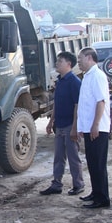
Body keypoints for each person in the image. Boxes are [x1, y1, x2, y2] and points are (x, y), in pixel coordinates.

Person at [40, 52, 84, 196]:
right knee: (58, 157)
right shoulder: (60, 81)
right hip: (59, 125)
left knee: (73, 157)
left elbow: (78, 106)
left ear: (69, 64)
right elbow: (57, 104)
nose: (57, 63)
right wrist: (51, 121)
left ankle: (78, 184)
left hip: (70, 125)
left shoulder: (74, 82)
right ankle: (56, 184)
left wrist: (75, 127)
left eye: (60, 61)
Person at [74, 47, 111, 209]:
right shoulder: (87, 77)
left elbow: (100, 102)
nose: (79, 62)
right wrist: (83, 127)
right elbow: (85, 106)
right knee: (92, 163)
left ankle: (102, 198)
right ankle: (96, 192)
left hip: (98, 129)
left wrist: (95, 125)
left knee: (98, 164)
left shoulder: (97, 76)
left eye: (80, 58)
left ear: (89, 58)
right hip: (89, 128)